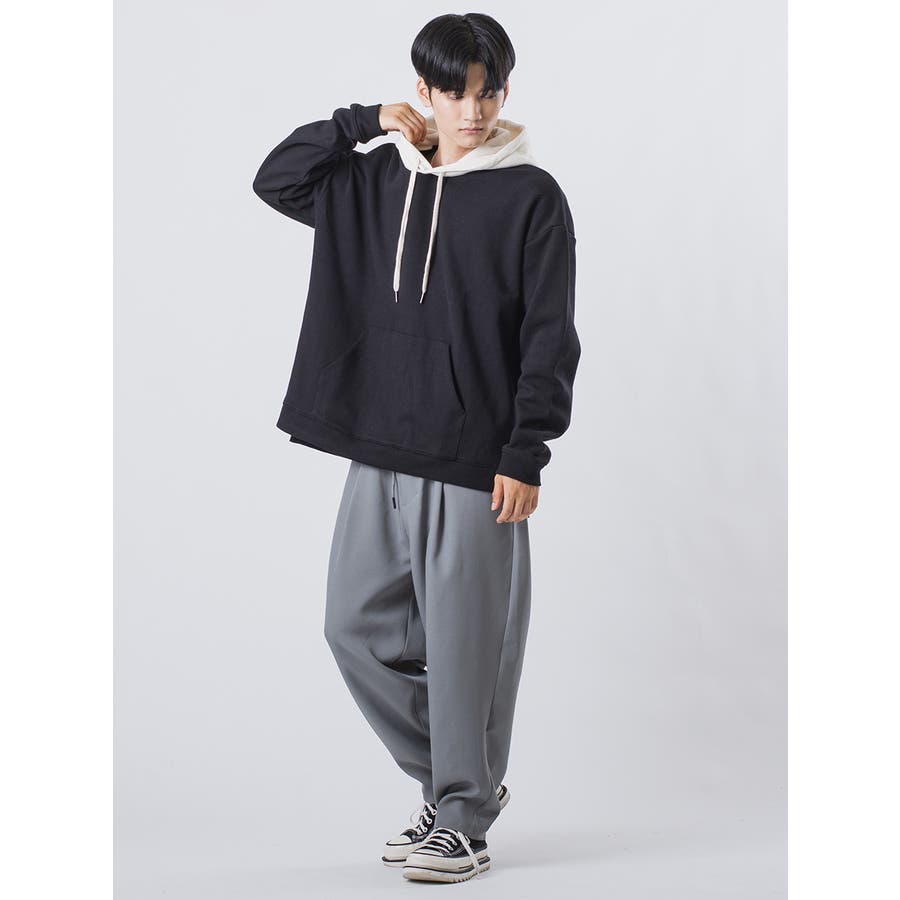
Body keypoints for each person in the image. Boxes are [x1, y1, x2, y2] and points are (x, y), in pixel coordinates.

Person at [252, 12, 580, 884]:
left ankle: (463, 820)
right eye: (454, 93)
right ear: (423, 92)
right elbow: (276, 178)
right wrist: (363, 122)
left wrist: (527, 450)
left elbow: (550, 334)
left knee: (470, 649)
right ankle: (457, 785)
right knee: (353, 630)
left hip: (477, 462)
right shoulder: (374, 181)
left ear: (503, 92)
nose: (473, 112)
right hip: (378, 445)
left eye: (488, 93)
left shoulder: (531, 196)